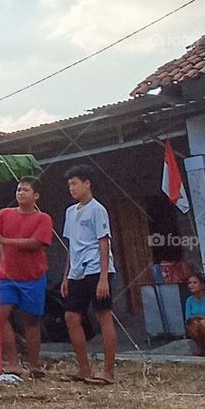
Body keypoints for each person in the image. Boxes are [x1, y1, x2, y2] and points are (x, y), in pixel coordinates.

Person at [61, 164, 117, 385]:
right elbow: (71, 246)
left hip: (96, 269)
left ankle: (108, 371)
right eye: (69, 185)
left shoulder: (97, 209)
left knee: (103, 315)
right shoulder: (70, 212)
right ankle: (84, 368)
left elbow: (104, 241)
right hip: (77, 271)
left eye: (75, 183)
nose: (72, 189)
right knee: (71, 316)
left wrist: (104, 276)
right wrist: (66, 276)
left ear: (87, 183)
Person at [0, 177, 53, 378]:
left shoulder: (43, 219)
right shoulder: (4, 214)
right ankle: (13, 361)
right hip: (7, 277)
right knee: (1, 316)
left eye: (26, 190)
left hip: (33, 277)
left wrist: (5, 241)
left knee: (31, 321)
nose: (21, 193)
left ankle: (34, 364)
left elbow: (37, 243)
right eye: (19, 189)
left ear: (36, 196)